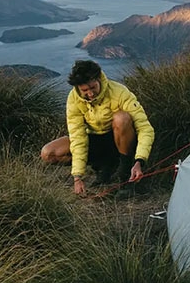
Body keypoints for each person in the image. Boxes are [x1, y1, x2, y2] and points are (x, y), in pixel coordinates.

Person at [40, 60, 155, 196]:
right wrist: (77, 176)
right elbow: (77, 136)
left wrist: (139, 160)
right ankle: (104, 166)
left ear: (99, 79)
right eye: (84, 90)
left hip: (119, 140)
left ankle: (125, 172)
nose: (90, 93)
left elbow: (145, 128)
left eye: (93, 87)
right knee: (48, 153)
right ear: (77, 88)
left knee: (121, 118)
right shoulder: (74, 99)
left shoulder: (119, 92)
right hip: (94, 141)